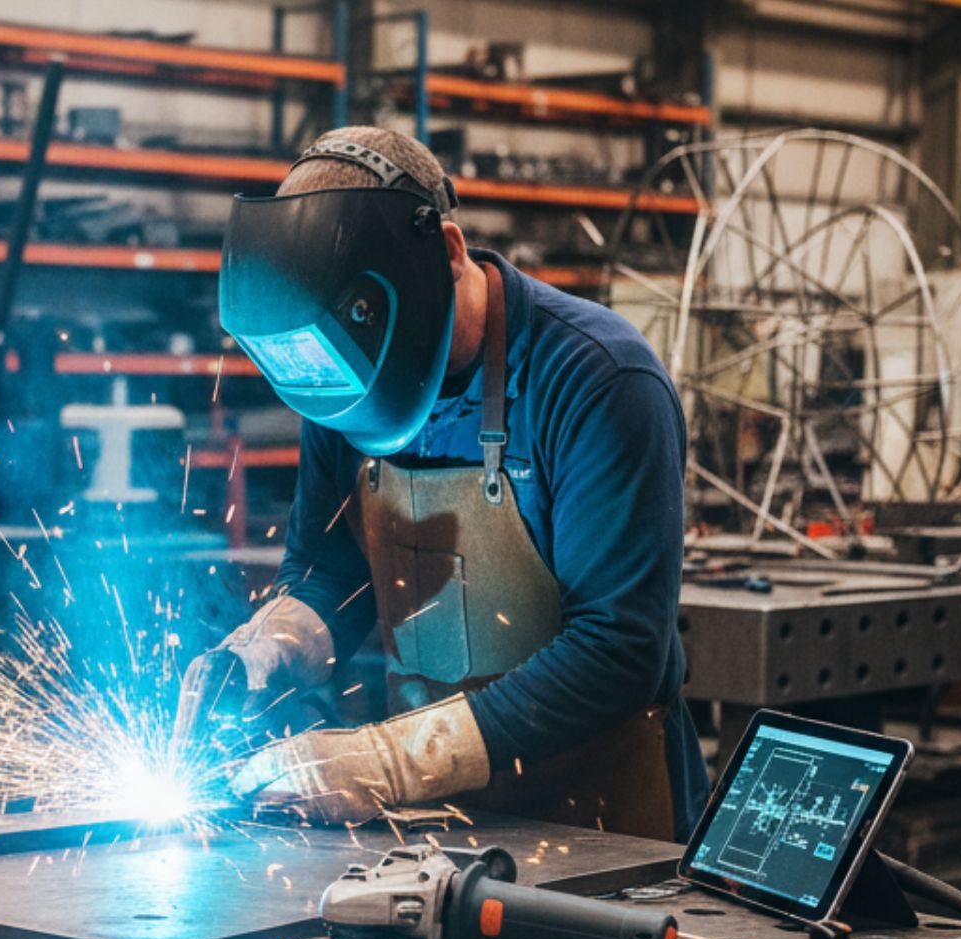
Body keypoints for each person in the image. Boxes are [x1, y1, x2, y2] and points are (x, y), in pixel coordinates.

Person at [177, 126, 708, 841]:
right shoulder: (340, 376)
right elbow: (332, 570)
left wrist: (392, 759)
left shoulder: (599, 380)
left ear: (448, 254)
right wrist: (269, 646)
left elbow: (621, 651)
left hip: (600, 826)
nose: (356, 411)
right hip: (438, 827)